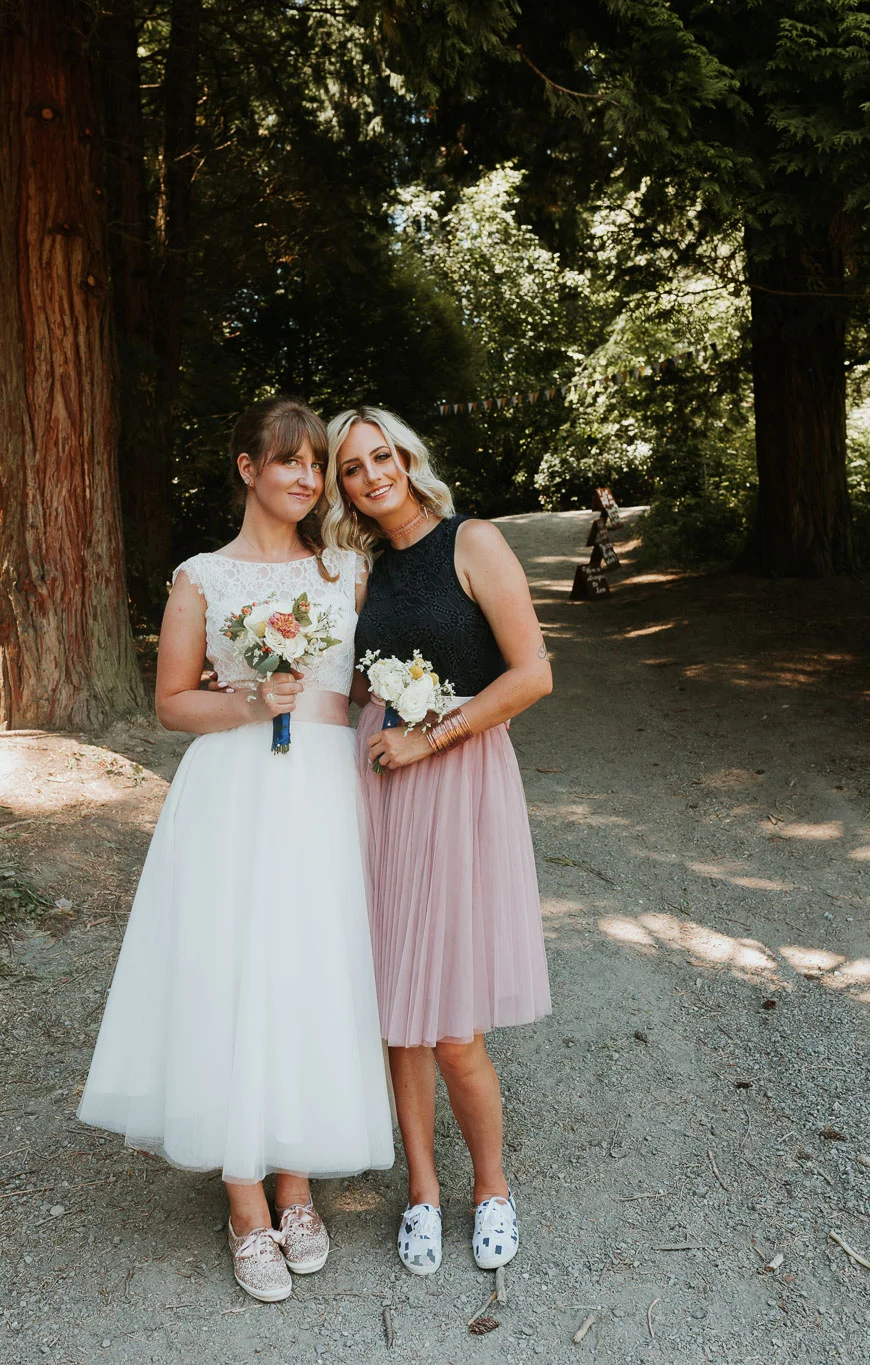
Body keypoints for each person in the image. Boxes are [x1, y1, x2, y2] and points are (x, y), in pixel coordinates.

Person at [79, 397, 393, 1302]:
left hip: (327, 791)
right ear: (247, 467)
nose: (305, 478)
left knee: (307, 968)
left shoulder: (345, 570)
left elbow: (381, 670)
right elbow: (174, 701)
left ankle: (296, 1172)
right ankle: (246, 1198)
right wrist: (254, 701)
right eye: (287, 461)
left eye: (316, 465)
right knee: (232, 966)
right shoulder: (201, 578)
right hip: (233, 791)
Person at [323, 405, 552, 1277]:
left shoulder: (474, 542)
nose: (372, 474)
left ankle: (490, 1186)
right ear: (342, 486)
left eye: (382, 456)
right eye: (352, 468)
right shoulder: (358, 571)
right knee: (400, 1019)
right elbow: (342, 680)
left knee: (452, 1023)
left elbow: (533, 673)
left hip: (458, 779)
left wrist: (433, 734)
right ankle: (421, 1189)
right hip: (379, 784)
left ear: (407, 458)